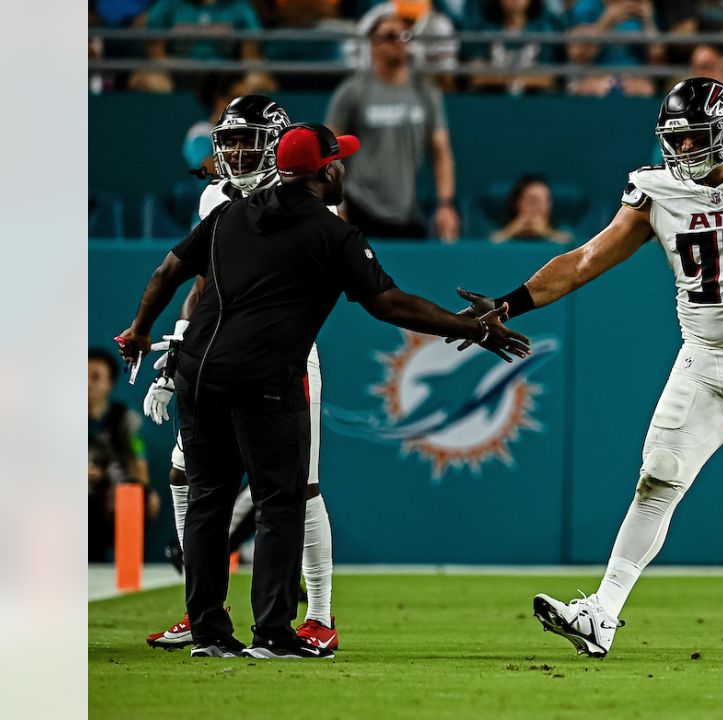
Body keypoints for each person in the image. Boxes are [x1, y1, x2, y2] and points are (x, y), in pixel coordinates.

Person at [453, 78, 723, 660]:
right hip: (702, 359)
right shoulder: (657, 190)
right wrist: (509, 302)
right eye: (676, 137)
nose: (684, 149)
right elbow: (585, 259)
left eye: (695, 136)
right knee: (657, 478)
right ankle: (602, 613)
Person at [115, 123, 529, 659]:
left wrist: (142, 328)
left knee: (208, 503)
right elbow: (389, 304)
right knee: (280, 502)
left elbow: (167, 271)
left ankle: (210, 632)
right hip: (264, 379)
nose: (344, 172)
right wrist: (472, 327)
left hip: (198, 373)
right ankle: (272, 634)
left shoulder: (227, 214)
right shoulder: (331, 234)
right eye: (341, 163)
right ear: (327, 171)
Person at [145, 96, 343, 653]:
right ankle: (203, 609)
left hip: (283, 359)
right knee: (189, 476)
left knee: (298, 488)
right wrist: (183, 344)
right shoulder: (215, 196)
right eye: (228, 140)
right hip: (215, 359)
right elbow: (201, 283)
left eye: (248, 139)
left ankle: (320, 616)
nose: (235, 150)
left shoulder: (308, 198)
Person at [325, 10, 460, 240]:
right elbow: (328, 150)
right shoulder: (354, 91)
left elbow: (440, 150)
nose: (400, 41)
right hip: (361, 207)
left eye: (405, 36)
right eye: (391, 36)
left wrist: (445, 204)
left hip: (409, 210)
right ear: (373, 45)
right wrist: (337, 204)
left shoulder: (426, 93)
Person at [88, 348, 160, 562]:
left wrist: (141, 492)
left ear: (109, 384)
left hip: (110, 493)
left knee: (139, 496)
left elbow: (139, 466)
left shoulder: (125, 419)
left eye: (96, 377)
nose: (88, 384)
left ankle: (128, 566)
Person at [132, 0, 270, 93]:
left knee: (257, 80)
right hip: (177, 72)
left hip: (225, 75)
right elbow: (156, 54)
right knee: (153, 80)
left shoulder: (240, 7)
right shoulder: (168, 5)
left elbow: (250, 56)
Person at [463, 0, 561, 95]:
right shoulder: (485, 31)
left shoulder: (543, 31)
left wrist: (508, 78)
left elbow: (548, 78)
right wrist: (510, 79)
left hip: (535, 102)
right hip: (492, 99)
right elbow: (476, 76)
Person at [489, 175, 572, 244]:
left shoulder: (561, 227)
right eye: (534, 200)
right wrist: (511, 230)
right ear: (518, 203)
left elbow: (572, 245)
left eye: (546, 200)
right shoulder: (501, 227)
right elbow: (488, 244)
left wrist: (546, 232)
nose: (541, 207)